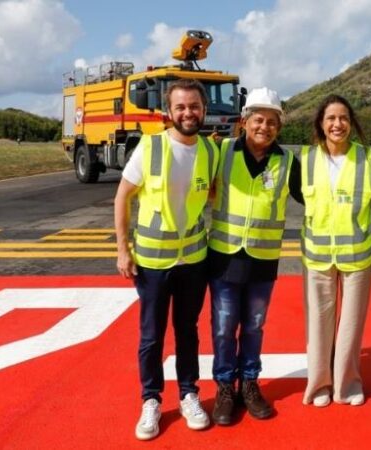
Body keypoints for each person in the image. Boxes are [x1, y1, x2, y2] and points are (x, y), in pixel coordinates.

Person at [114, 79, 218, 440]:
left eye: (194, 106)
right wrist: (122, 249)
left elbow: (213, 192)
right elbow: (122, 197)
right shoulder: (151, 146)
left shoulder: (210, 150)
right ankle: (151, 399)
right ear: (168, 112)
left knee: (187, 331)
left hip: (193, 260)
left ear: (204, 110)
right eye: (181, 107)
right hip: (153, 262)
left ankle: (189, 393)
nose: (188, 112)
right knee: (151, 335)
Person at [207, 87, 303, 425]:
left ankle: (249, 383)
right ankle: (224, 388)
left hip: (263, 260)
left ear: (279, 126)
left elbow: (315, 199)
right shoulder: (220, 152)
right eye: (258, 119)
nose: (264, 126)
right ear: (245, 121)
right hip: (223, 257)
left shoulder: (288, 161)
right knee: (222, 327)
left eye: (272, 121)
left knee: (254, 326)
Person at [300, 95, 371, 408]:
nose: (337, 124)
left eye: (343, 117)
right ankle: (319, 385)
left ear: (352, 122)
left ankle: (347, 384)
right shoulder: (305, 158)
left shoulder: (368, 158)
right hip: (317, 254)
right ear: (321, 123)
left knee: (351, 323)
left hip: (358, 254)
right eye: (331, 118)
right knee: (318, 323)